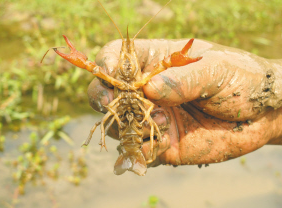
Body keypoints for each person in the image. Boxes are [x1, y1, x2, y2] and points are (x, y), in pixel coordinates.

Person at [87, 38, 282, 167]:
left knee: (143, 115)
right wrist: (271, 122)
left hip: (141, 115)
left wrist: (269, 100)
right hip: (134, 122)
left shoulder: (147, 80)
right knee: (106, 111)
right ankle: (129, 150)